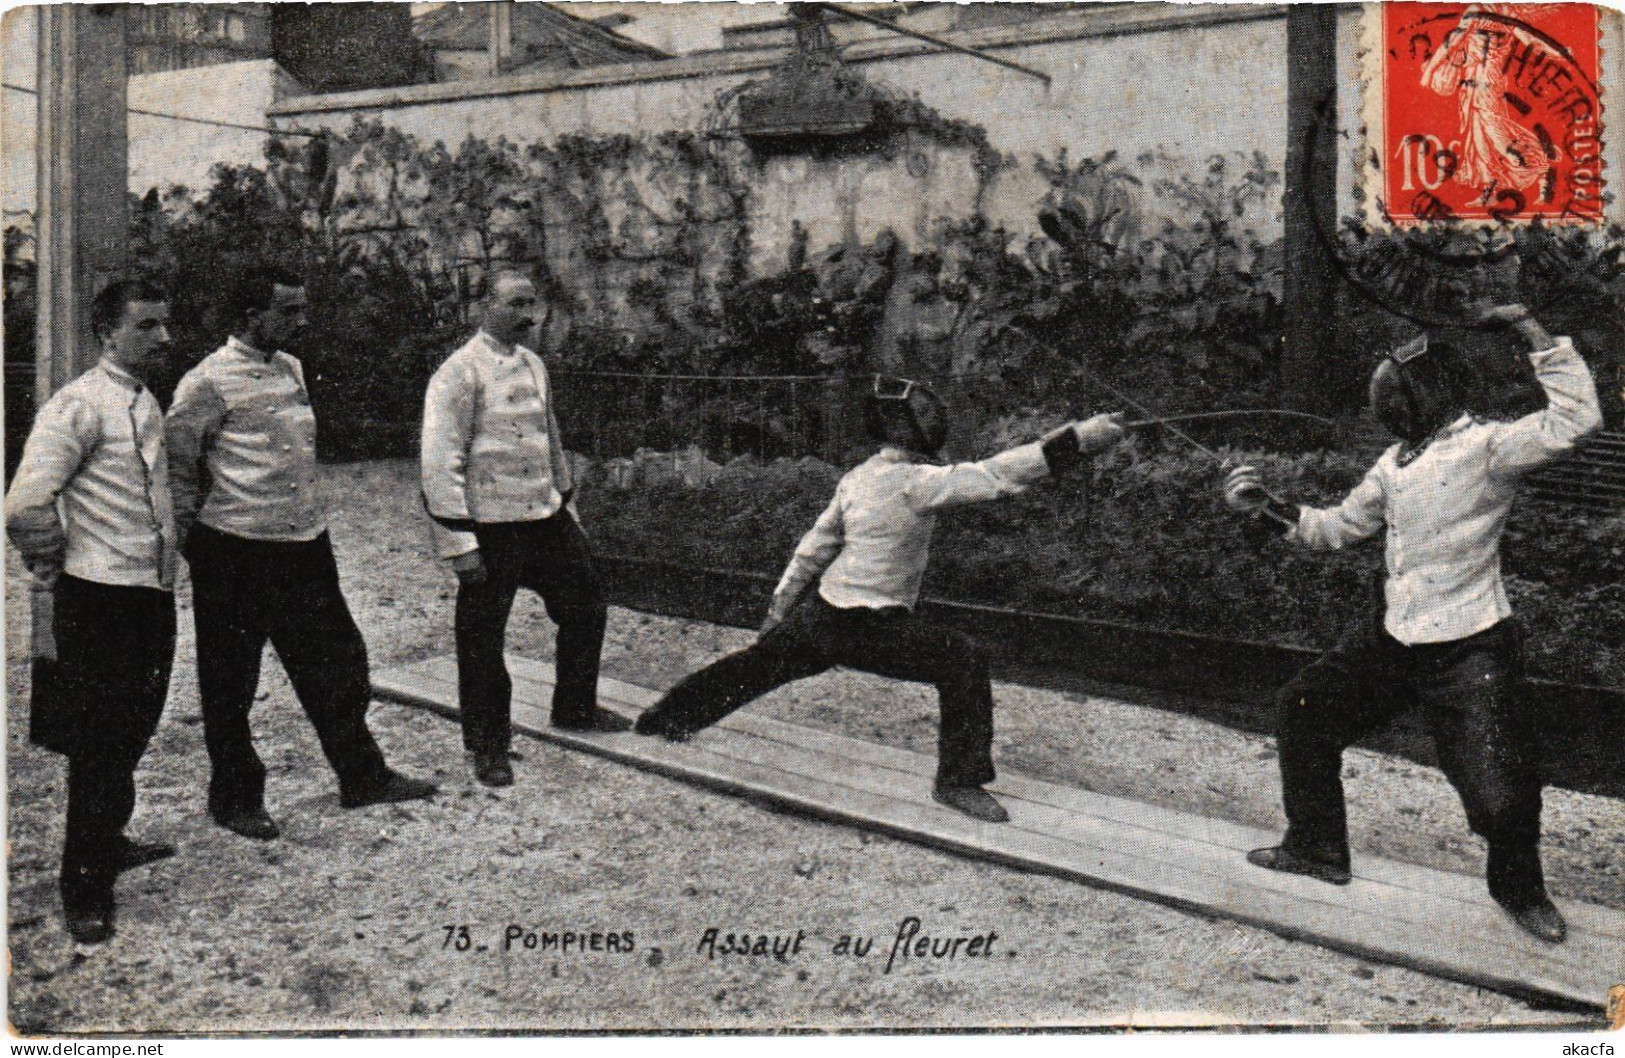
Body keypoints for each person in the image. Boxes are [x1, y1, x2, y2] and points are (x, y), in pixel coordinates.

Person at [1222, 303, 1601, 943]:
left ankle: (1522, 895)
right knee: (1305, 711)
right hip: (1393, 635)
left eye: (1395, 390)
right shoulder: (1395, 462)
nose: (1385, 400)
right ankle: (1316, 849)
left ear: (1425, 391)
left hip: (1470, 643)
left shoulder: (1487, 447)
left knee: (1500, 786)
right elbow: (1337, 528)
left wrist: (1533, 333)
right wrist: (1264, 509)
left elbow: (1578, 418)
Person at [634, 376, 1128, 822]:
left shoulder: (859, 477)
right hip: (871, 626)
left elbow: (811, 551)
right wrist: (1082, 440)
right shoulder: (919, 483)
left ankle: (664, 718)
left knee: (758, 665)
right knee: (964, 661)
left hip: (824, 613)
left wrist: (778, 612)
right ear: (921, 429)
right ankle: (958, 781)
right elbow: (1000, 475)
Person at [166, 266, 436, 841]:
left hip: (305, 543)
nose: (300, 320)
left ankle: (362, 776)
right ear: (248, 317)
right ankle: (235, 798)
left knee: (340, 664)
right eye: (287, 311)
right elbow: (177, 466)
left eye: (301, 309)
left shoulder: (290, 367)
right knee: (230, 680)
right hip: (235, 549)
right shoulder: (205, 382)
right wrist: (191, 542)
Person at [6, 280, 180, 944]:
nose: (163, 337)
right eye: (146, 326)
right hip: (99, 599)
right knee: (100, 745)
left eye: (165, 324)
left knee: (135, 727)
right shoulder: (76, 405)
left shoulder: (142, 398)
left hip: (148, 593)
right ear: (107, 333)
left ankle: (108, 841)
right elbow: (25, 504)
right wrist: (52, 567)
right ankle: (83, 888)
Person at [421, 270, 629, 790]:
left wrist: (564, 499)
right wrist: (458, 543)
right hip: (490, 523)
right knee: (483, 636)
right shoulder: (458, 373)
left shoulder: (534, 363)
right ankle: (488, 745)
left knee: (586, 603)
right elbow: (438, 461)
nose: (528, 314)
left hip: (543, 516)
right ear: (484, 307)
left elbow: (548, 436)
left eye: (532, 303)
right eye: (516, 303)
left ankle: (575, 707)